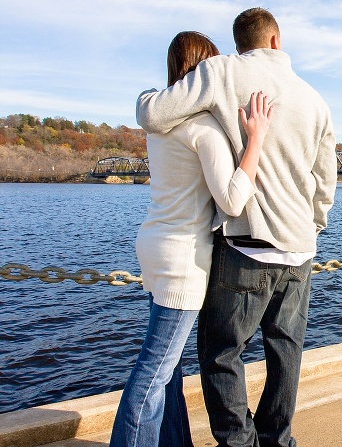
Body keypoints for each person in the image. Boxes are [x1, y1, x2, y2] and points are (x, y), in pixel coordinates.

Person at [136, 8, 336, 447]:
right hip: (299, 252)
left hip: (247, 245)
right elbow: (325, 183)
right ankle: (277, 441)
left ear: (238, 42)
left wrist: (147, 95)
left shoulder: (221, 72)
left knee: (222, 354)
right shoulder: (315, 99)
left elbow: (154, 115)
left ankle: (239, 443)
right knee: (286, 355)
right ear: (276, 41)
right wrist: (312, 228)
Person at [110, 31, 273, 447]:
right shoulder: (202, 128)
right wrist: (255, 140)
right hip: (183, 257)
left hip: (154, 243)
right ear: (205, 70)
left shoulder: (161, 123)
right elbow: (233, 200)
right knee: (153, 375)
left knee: (168, 372)